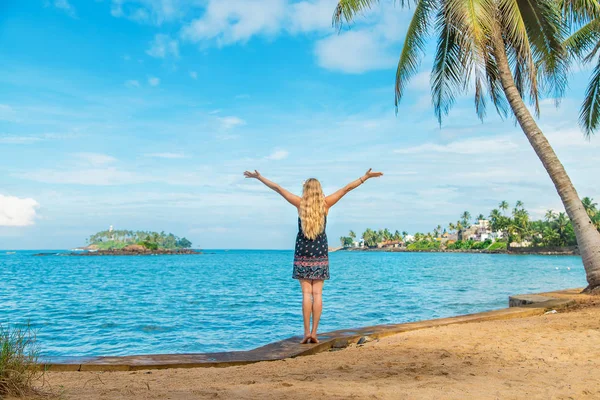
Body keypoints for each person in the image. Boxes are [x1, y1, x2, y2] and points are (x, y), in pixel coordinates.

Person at [243, 169, 383, 344]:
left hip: (302, 254)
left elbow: (278, 188)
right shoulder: (326, 204)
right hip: (320, 255)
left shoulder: (300, 204)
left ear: (306, 191)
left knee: (306, 294)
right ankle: (315, 333)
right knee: (317, 294)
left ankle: (306, 333)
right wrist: (366, 177)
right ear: (319, 190)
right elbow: (346, 189)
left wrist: (259, 177)